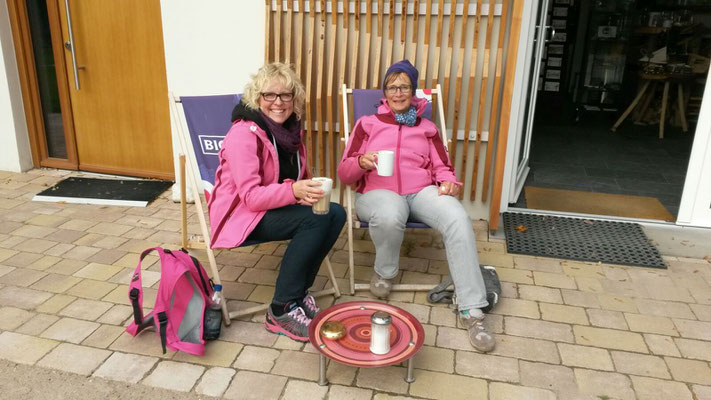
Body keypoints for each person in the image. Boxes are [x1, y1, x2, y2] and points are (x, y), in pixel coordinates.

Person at [337, 60, 495, 352]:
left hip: (420, 192)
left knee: (458, 217)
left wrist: (449, 184)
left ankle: (472, 310)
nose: (398, 92)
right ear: (384, 92)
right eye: (392, 87)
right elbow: (345, 173)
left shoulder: (427, 128)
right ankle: (385, 272)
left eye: (405, 86)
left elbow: (444, 168)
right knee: (390, 212)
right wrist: (360, 161)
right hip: (377, 194)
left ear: (413, 91)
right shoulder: (367, 124)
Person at [208, 62, 346, 342]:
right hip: (241, 216)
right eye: (269, 95)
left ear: (294, 99)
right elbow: (250, 197)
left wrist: (305, 191)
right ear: (256, 99)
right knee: (313, 220)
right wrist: (295, 191)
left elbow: (293, 180)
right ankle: (281, 308)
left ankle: (298, 293)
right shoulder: (243, 134)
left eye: (285, 95)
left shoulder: (291, 135)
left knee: (336, 213)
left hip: (269, 208)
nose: (278, 102)